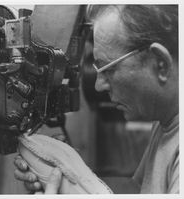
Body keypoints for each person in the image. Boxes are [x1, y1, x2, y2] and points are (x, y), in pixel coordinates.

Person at [14, 5, 179, 194]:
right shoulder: (166, 120)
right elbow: (138, 189)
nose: (98, 86)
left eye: (109, 69)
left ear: (160, 64)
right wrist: (72, 177)